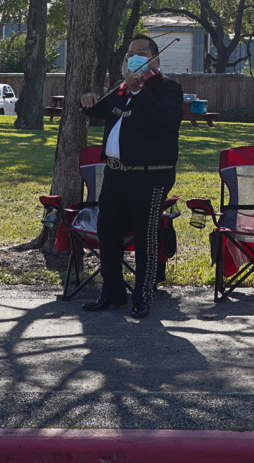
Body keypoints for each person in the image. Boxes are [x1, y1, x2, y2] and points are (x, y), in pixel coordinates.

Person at [79, 34, 184, 319]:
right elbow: (99, 110)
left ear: (155, 58)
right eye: (130, 53)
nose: (134, 57)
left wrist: (140, 91)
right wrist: (87, 102)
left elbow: (161, 118)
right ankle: (112, 293)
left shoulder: (168, 88)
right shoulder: (121, 90)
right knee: (108, 232)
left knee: (145, 235)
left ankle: (143, 296)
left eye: (141, 52)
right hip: (116, 173)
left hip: (150, 176)